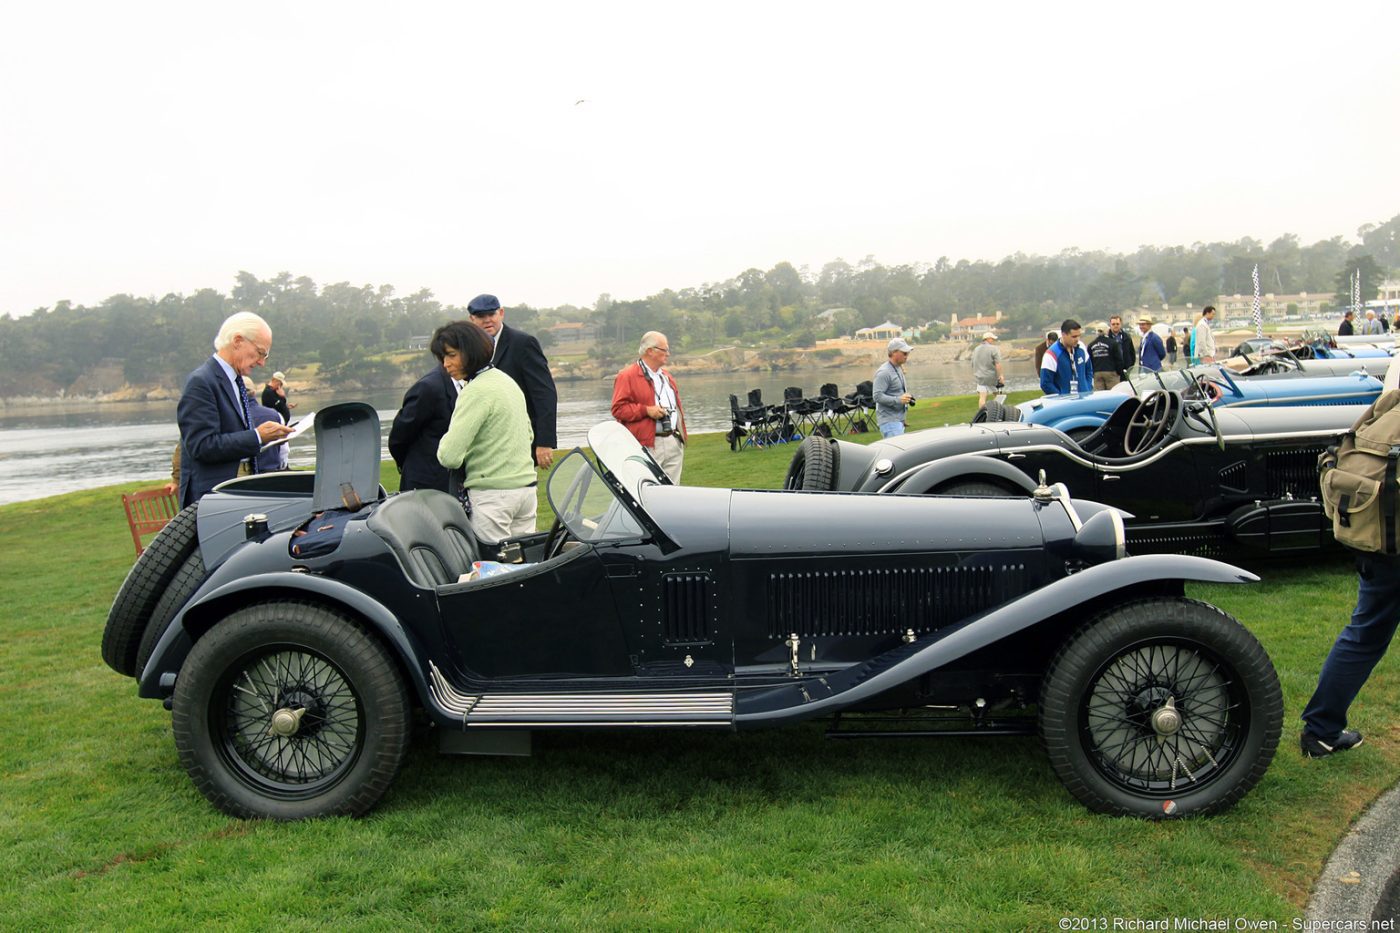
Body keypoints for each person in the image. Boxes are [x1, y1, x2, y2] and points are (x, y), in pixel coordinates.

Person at [175, 311, 293, 507]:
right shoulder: (201, 382)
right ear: (238, 340)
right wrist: (257, 436)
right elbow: (201, 446)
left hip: (236, 493)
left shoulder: (235, 381)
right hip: (213, 500)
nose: (262, 362)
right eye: (260, 352)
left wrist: (266, 437)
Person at [435, 322, 537, 545]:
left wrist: (446, 439)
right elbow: (528, 435)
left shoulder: (475, 391)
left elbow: (449, 456)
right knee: (526, 566)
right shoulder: (507, 381)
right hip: (526, 490)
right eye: (443, 358)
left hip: (492, 495)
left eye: (451, 355)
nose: (446, 364)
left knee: (494, 569)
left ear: (470, 351)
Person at [1299, 553, 1400, 758]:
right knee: (1364, 638)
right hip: (1390, 547)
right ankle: (1321, 730)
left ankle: (1321, 731)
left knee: (1363, 638)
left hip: (1376, 548)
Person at [465, 294, 558, 470]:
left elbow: (544, 393)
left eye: (491, 314)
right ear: (472, 319)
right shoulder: (469, 349)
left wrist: (544, 442)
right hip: (486, 444)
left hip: (521, 439)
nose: (487, 321)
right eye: (481, 317)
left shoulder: (523, 343)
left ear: (501, 313)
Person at [389, 327, 462, 492]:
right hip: (427, 482)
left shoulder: (471, 382)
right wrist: (413, 465)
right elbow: (399, 437)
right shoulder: (428, 388)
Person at [610, 331, 688, 483]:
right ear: (650, 351)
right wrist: (646, 410)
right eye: (664, 350)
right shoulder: (627, 376)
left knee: (673, 493)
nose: (668, 354)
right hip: (647, 444)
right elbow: (618, 409)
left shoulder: (666, 376)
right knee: (647, 491)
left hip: (673, 441)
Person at [873, 338, 915, 437]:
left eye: (908, 353)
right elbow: (877, 396)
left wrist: (902, 417)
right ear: (894, 353)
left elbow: (896, 392)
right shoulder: (884, 372)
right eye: (904, 353)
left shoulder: (898, 367)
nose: (907, 356)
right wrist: (899, 400)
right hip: (890, 423)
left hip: (897, 420)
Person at [1039, 319, 1092, 396]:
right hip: (1065, 403)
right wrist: (1061, 397)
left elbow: (1089, 370)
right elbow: (1045, 383)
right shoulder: (1051, 354)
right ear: (1063, 335)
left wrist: (1087, 388)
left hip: (1084, 400)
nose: (1077, 339)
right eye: (1074, 336)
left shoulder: (1081, 347)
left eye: (1079, 336)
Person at [970, 331, 1004, 408]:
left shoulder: (976, 349)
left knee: (982, 397)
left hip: (980, 377)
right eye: (992, 339)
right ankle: (998, 412)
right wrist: (1001, 376)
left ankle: (982, 415)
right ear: (988, 339)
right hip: (991, 377)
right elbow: (998, 364)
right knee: (998, 395)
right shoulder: (994, 349)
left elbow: (972, 363)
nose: (993, 341)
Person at [1087, 326, 1120, 391]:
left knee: (1100, 396)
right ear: (1107, 331)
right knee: (1113, 394)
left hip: (1097, 373)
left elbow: (1089, 360)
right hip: (1111, 372)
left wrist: (1093, 372)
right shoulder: (1113, 343)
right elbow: (1118, 359)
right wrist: (1119, 372)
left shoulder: (1091, 345)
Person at [1105, 314, 1134, 381]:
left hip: (1125, 370)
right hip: (1111, 371)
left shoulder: (1127, 337)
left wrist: (1129, 366)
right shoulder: (1106, 338)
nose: (1115, 326)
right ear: (1110, 325)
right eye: (1113, 324)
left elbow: (1132, 353)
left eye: (1117, 324)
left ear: (1121, 324)